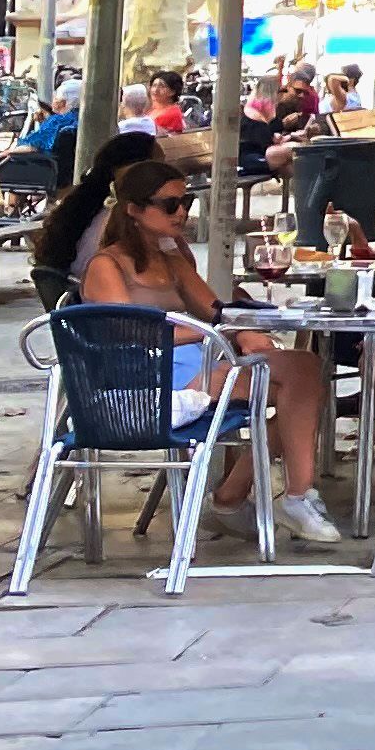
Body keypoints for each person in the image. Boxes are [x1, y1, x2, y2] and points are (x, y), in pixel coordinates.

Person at [72, 156, 340, 545]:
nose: (181, 212)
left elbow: (217, 312)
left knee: (301, 370)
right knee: (294, 378)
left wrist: (241, 331)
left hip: (192, 368)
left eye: (187, 203)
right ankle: (265, 498)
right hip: (144, 383)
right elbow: (132, 334)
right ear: (133, 210)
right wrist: (216, 335)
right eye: (170, 205)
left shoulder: (170, 261)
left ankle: (282, 494)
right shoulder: (107, 266)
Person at [32, 128, 162, 301]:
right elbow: (178, 283)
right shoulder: (130, 220)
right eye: (161, 168)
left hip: (85, 314)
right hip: (119, 317)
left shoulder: (85, 210)